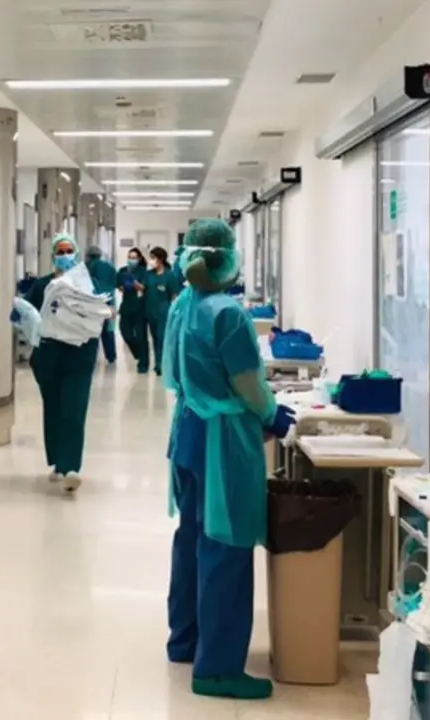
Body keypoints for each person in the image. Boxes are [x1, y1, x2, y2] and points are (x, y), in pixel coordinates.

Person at [163, 218, 297, 700]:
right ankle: (217, 668)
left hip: (189, 432)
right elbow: (246, 384)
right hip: (223, 439)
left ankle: (186, 640)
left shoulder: (183, 305)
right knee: (226, 545)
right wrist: (272, 413)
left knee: (192, 537)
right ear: (226, 257)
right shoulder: (228, 314)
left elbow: (173, 374)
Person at [21, 233, 99, 492]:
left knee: (74, 410)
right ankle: (57, 460)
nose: (65, 255)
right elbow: (26, 315)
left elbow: (103, 313)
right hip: (48, 356)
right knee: (53, 408)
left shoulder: (87, 284)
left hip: (80, 356)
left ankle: (71, 467)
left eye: (69, 251)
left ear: (76, 254)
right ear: (53, 254)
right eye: (60, 251)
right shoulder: (42, 285)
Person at [143, 246, 182, 376]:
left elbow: (175, 294)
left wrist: (175, 311)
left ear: (160, 259)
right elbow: (143, 289)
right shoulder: (148, 275)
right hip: (150, 309)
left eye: (153, 258)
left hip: (164, 311)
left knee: (162, 338)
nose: (151, 260)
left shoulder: (169, 275)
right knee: (154, 338)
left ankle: (162, 365)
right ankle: (158, 363)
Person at [116, 248, 150, 371]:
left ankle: (143, 364)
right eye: (130, 257)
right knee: (126, 333)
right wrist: (124, 285)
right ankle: (138, 353)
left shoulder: (143, 272)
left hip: (139, 308)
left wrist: (133, 282)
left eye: (134, 257)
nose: (131, 260)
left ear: (139, 259)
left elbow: (143, 287)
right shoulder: (122, 271)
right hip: (126, 307)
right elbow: (119, 287)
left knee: (141, 337)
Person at [85, 246, 118, 365]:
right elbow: (115, 283)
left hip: (91, 300)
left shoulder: (86, 267)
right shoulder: (110, 266)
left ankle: (90, 356)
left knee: (91, 329)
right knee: (107, 329)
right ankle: (111, 356)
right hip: (108, 299)